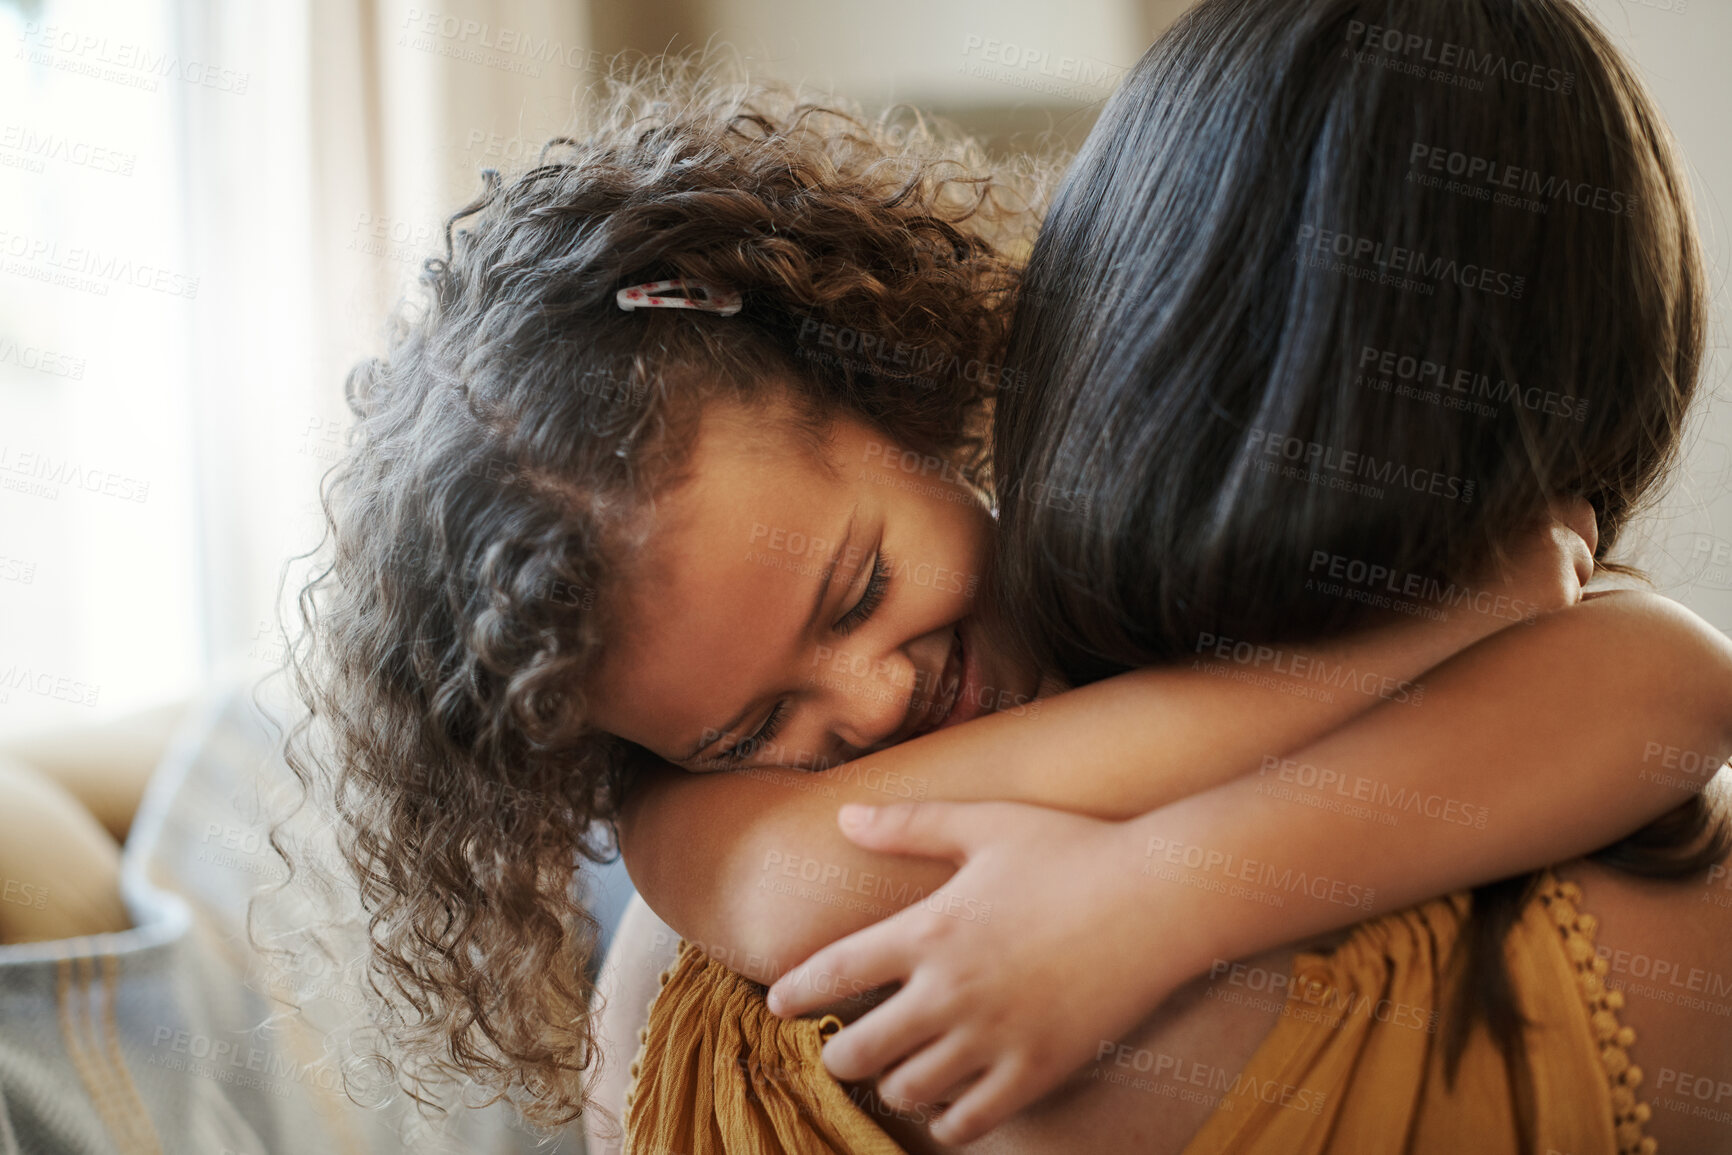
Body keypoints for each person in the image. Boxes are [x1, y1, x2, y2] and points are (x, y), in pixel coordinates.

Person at [606, 1, 1732, 1153]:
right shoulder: (1671, 925)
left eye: (855, 590)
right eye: (743, 730)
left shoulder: (680, 966)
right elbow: (1675, 674)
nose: (871, 697)